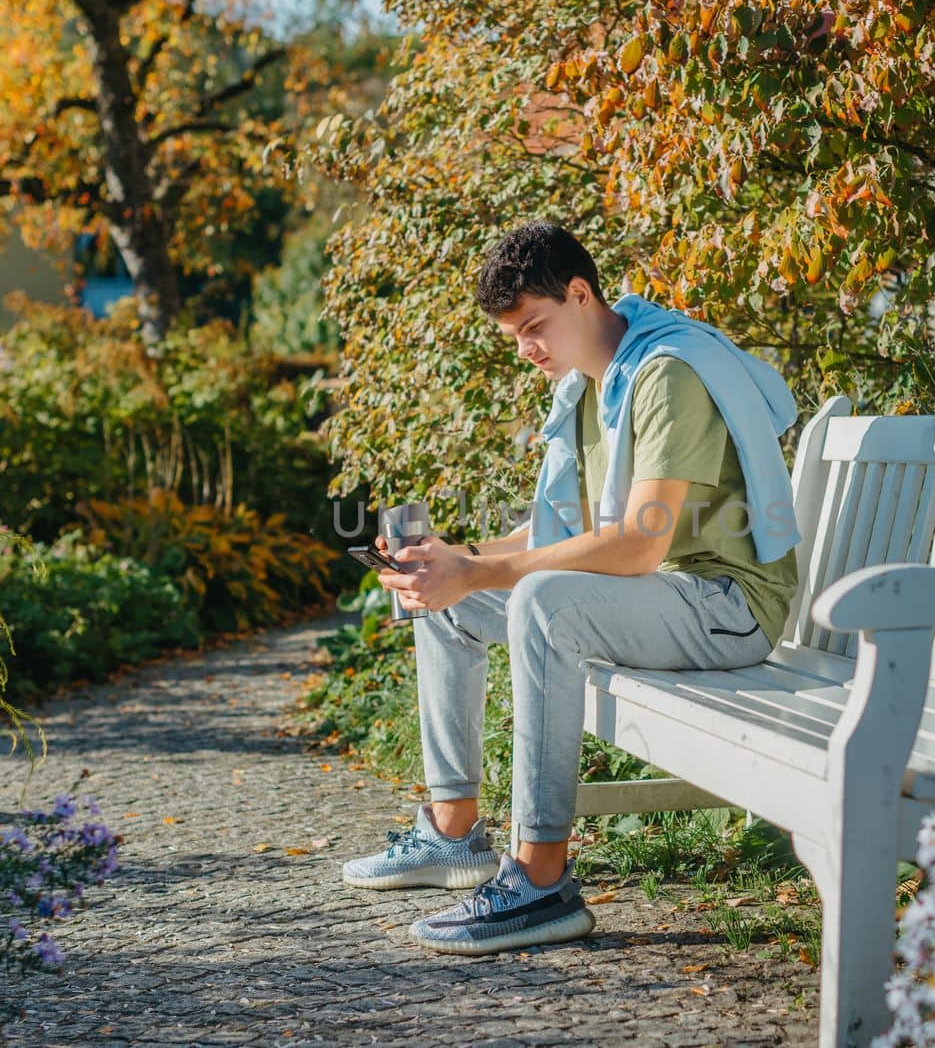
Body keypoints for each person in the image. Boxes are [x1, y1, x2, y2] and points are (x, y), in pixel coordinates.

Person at [340, 220, 802, 956]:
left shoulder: (664, 374)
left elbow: (639, 543)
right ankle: (454, 833)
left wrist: (483, 571)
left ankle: (538, 878)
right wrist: (455, 561)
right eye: (515, 335)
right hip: (663, 600)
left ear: (580, 294)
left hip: (728, 606)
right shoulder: (594, 385)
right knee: (448, 595)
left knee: (541, 602)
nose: (526, 349)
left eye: (533, 327)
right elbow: (557, 535)